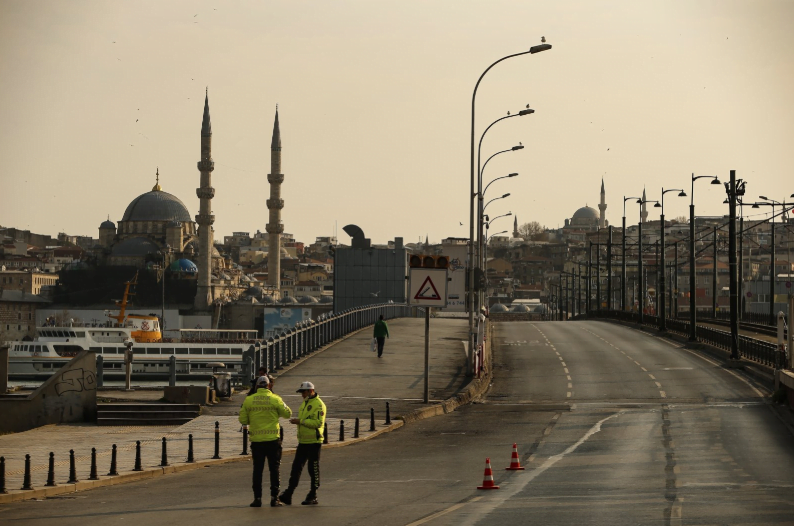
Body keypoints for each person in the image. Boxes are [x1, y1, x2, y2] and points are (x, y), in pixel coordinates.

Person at [239, 375, 292, 508]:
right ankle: (275, 498)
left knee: (257, 470)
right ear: (269, 386)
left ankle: (257, 498)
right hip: (273, 440)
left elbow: (243, 420)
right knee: (274, 469)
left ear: (257, 386)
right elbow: (288, 413)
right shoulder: (275, 399)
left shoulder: (249, 400)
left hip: (257, 441)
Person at [279, 381, 326, 506]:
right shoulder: (305, 403)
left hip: (314, 442)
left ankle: (313, 494)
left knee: (313, 469)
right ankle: (289, 493)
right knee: (296, 468)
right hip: (303, 441)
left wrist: (301, 421)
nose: (302, 395)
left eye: (303, 392)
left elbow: (318, 423)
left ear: (311, 391)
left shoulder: (319, 404)